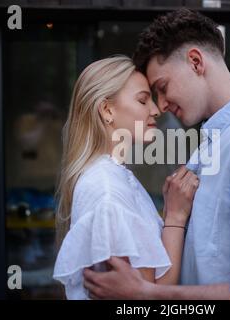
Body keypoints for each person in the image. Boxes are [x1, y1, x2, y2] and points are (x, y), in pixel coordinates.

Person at [83, 8, 230, 300]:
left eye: (162, 88)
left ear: (195, 62)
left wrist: (147, 294)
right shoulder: (217, 142)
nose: (162, 105)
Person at [53, 55, 199, 299]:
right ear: (107, 109)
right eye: (143, 100)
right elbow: (149, 298)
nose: (155, 110)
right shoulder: (107, 190)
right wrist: (175, 216)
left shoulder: (113, 177)